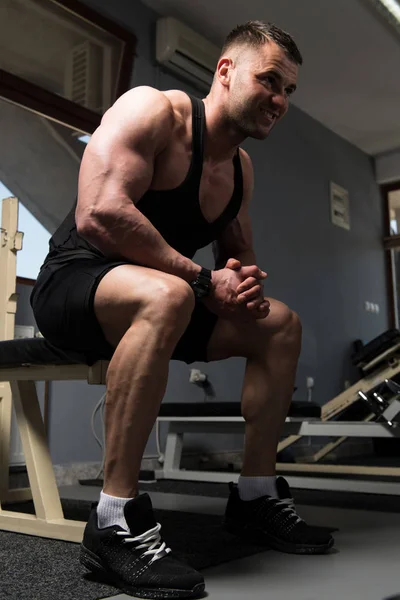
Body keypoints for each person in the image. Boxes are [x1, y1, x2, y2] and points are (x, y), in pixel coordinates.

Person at [30, 19, 334, 600]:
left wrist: (244, 283)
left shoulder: (240, 171)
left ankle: (256, 496)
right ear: (225, 71)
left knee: (280, 324)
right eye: (270, 81)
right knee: (167, 293)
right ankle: (115, 521)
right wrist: (201, 279)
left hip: (166, 294)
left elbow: (238, 254)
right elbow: (100, 212)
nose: (279, 100)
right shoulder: (154, 112)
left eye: (288, 91)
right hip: (75, 284)